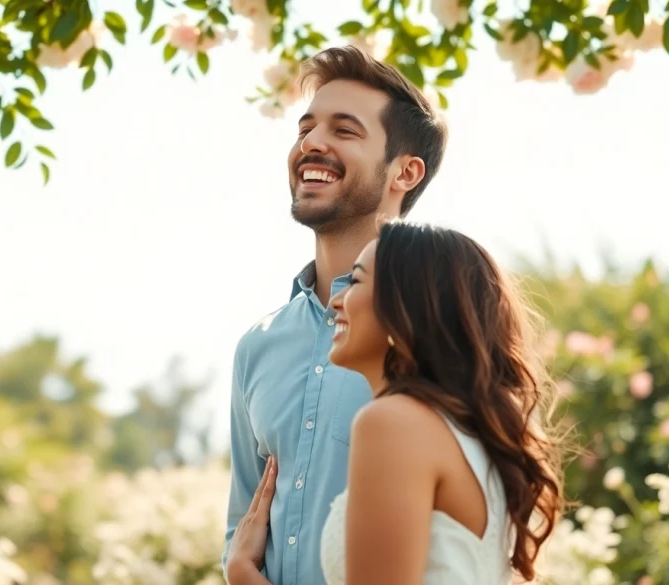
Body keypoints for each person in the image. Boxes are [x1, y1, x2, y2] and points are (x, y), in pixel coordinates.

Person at [227, 220, 566, 585]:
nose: (337, 300)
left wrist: (244, 575)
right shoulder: (468, 433)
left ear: (408, 302)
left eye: (355, 281)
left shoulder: (390, 423)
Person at [221, 45, 449, 585]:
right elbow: (243, 532)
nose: (312, 144)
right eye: (305, 128)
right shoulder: (258, 346)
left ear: (405, 172)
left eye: (344, 131)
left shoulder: (442, 325)